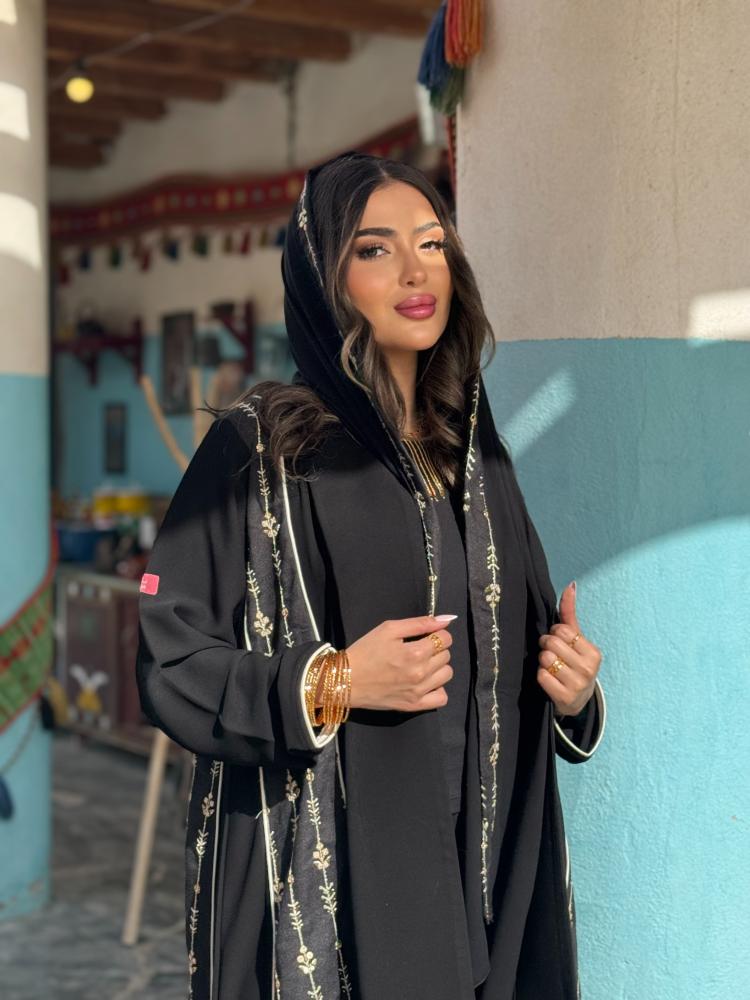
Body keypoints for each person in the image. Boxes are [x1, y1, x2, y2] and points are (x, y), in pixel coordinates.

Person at [136, 152, 606, 1000]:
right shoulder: (261, 447)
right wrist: (337, 681)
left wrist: (570, 688)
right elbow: (170, 656)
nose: (416, 271)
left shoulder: (474, 451)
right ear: (324, 274)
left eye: (431, 243)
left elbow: (522, 646)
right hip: (334, 879)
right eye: (375, 249)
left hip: (483, 868)